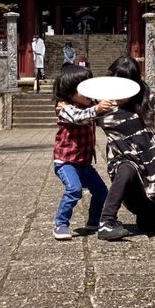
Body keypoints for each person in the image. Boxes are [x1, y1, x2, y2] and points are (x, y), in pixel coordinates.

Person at [95, 56, 155, 240]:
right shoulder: (101, 107)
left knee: (150, 225)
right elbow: (71, 116)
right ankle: (106, 222)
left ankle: (154, 215)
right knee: (126, 167)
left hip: (152, 183)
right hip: (126, 178)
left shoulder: (147, 102)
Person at [52, 65, 116, 240]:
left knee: (102, 192)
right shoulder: (65, 108)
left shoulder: (90, 104)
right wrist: (97, 109)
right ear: (69, 91)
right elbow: (80, 117)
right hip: (66, 162)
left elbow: (100, 111)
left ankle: (93, 222)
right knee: (74, 190)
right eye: (83, 88)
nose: (89, 92)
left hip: (84, 163)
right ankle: (61, 223)